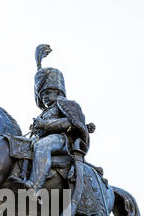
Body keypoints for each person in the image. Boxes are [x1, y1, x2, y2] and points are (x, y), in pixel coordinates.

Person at [21, 44, 91, 194]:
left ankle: (34, 185)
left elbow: (70, 122)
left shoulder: (67, 105)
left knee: (43, 146)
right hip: (43, 138)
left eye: (48, 93)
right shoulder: (44, 112)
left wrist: (45, 125)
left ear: (57, 91)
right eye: (42, 94)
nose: (45, 97)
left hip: (64, 140)